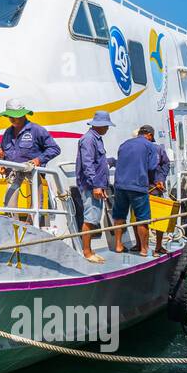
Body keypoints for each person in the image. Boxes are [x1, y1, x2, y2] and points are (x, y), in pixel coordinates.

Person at [0, 98, 61, 222]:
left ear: (23, 115)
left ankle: (31, 225)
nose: (12, 119)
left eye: (15, 116)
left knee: (36, 205)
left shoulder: (37, 130)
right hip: (14, 173)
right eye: (10, 116)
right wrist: (2, 163)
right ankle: (14, 226)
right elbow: (4, 151)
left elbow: (54, 148)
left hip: (33, 172)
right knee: (9, 203)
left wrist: (38, 160)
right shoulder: (8, 133)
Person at [112, 126, 162, 257]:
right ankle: (144, 249)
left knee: (119, 216)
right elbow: (152, 167)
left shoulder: (124, 144)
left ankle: (118, 245)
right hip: (138, 186)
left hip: (120, 186)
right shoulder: (149, 146)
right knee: (142, 218)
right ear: (150, 135)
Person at [75, 110, 113, 263]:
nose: (108, 129)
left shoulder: (96, 139)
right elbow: (88, 164)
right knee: (90, 219)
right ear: (100, 125)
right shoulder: (89, 139)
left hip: (97, 185)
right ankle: (86, 252)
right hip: (91, 186)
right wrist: (96, 185)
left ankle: (89, 249)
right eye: (106, 126)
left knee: (93, 217)